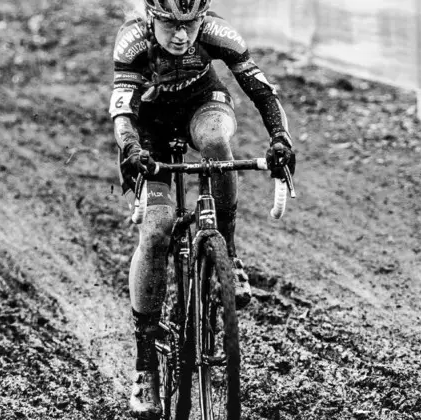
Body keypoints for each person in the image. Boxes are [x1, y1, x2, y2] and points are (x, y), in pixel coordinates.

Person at [109, 0, 296, 417]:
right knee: (156, 231)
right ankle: (145, 366)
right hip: (151, 131)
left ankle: (227, 251)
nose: (182, 35)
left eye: (191, 24)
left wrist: (280, 138)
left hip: (203, 106)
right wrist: (131, 148)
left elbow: (262, 90)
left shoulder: (216, 33)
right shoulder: (133, 40)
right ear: (152, 18)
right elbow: (122, 112)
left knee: (216, 144)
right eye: (172, 25)